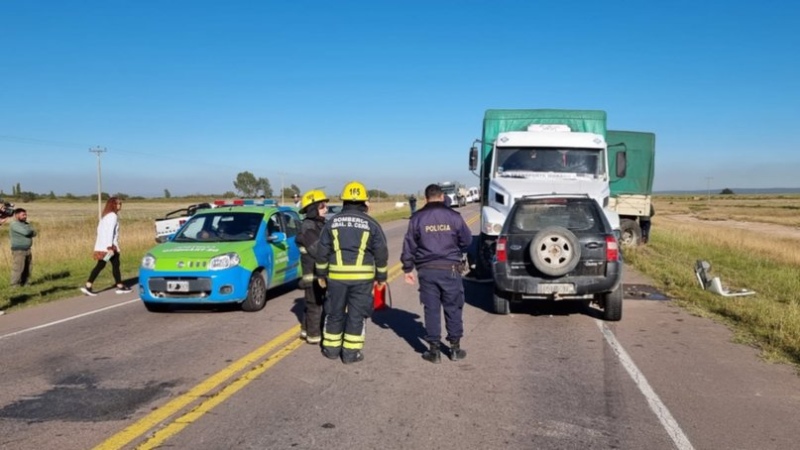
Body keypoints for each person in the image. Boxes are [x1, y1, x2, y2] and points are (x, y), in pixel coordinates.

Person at [315, 181, 389, 364]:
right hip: (362, 280)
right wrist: (381, 278)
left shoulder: (332, 222)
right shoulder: (371, 223)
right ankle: (350, 354)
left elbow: (322, 250)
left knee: (334, 313)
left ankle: (331, 350)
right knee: (357, 315)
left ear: (344, 202)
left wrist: (321, 275)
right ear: (364, 202)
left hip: (336, 279)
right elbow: (381, 253)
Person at [401, 184, 473, 363]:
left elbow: (409, 245)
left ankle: (434, 351)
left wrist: (407, 269)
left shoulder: (417, 218)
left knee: (431, 309)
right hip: (451, 269)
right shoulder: (454, 216)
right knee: (453, 307)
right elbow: (467, 240)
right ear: (442, 197)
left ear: (425, 199)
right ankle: (455, 349)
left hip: (427, 270)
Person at [296, 189, 330, 345]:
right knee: (315, 305)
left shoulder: (318, 225)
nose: (326, 208)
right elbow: (317, 250)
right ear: (313, 208)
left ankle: (305, 331)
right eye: (322, 206)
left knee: (311, 304)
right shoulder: (308, 228)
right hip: (313, 274)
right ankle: (314, 336)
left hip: (317, 273)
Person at [80, 197, 132, 296]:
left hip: (104, 246)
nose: (119, 205)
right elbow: (109, 232)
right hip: (110, 248)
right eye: (117, 204)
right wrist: (110, 247)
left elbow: (99, 231)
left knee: (104, 265)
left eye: (120, 203)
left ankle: (89, 285)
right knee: (113, 265)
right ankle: (119, 286)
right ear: (112, 205)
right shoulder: (113, 216)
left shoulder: (105, 216)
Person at [10, 208, 36, 287]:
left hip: (27, 249)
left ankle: (25, 283)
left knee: (28, 267)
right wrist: (30, 231)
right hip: (19, 250)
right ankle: (14, 285)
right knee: (18, 268)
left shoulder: (26, 224)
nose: (25, 216)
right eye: (23, 215)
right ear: (17, 215)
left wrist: (30, 231)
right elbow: (26, 232)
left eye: (25, 215)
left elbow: (34, 233)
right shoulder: (14, 224)